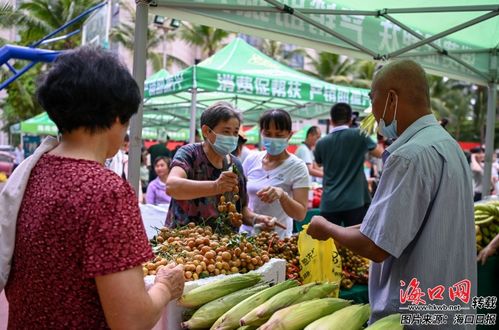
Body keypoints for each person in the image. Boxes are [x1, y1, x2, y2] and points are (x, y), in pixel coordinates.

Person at [0, 46, 184, 329]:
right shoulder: (107, 192)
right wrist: (164, 287)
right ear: (117, 117)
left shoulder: (32, 172)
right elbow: (131, 320)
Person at [307, 59, 476, 328]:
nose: (373, 111)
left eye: (373, 99)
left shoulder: (408, 156)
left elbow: (376, 247)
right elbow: (398, 224)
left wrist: (327, 227)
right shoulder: (449, 146)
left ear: (392, 98)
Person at [166, 101, 275, 231]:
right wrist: (215, 186)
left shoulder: (235, 164)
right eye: (226, 131)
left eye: (235, 133)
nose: (232, 137)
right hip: (185, 243)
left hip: (223, 247)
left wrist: (257, 219)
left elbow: (241, 210)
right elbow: (172, 186)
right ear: (206, 131)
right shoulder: (189, 154)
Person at [241, 109, 310, 238]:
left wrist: (282, 196)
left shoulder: (297, 167)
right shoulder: (251, 160)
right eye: (268, 133)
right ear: (261, 133)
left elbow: (300, 214)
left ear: (289, 135)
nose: (273, 139)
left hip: (276, 239)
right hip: (246, 235)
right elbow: (239, 200)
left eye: (279, 135)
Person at [314, 103, 383, 227]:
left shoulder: (321, 143)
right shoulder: (359, 134)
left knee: (330, 243)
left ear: (331, 120)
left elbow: (318, 164)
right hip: (355, 201)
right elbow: (380, 154)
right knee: (355, 243)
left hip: (329, 203)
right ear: (350, 119)